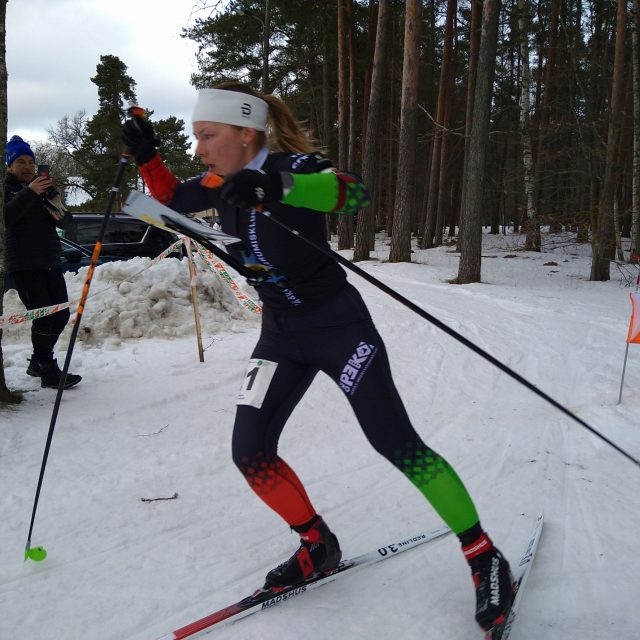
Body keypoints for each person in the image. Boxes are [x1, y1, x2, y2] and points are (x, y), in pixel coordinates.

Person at [121, 82, 513, 633]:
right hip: (280, 336)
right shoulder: (218, 180)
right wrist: (147, 157)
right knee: (250, 452)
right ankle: (316, 543)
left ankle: (483, 555)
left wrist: (277, 185)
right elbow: (167, 198)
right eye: (196, 138)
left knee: (396, 443)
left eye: (207, 136)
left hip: (338, 329)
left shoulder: (298, 165)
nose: (200, 150)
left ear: (245, 133)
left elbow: (351, 194)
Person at [4, 135, 81, 389]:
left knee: (60, 314)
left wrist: (52, 198)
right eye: (21, 162)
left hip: (50, 260)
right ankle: (47, 370)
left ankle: (38, 362)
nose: (27, 167)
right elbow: (8, 218)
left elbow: (67, 224)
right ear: (9, 166)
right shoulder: (7, 189)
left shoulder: (42, 190)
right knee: (44, 316)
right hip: (25, 264)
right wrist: (29, 192)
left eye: (30, 162)